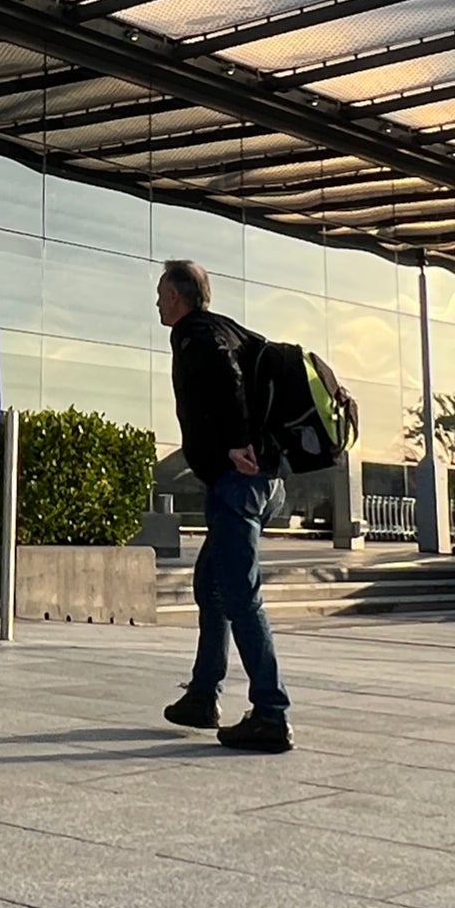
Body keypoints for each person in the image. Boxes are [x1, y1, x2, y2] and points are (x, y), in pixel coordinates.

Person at [156, 258, 291, 753]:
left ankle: (271, 714)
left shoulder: (195, 334)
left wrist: (236, 441)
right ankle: (202, 695)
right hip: (263, 481)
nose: (157, 303)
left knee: (239, 594)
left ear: (177, 297)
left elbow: (227, 377)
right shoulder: (232, 329)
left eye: (160, 293)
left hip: (240, 482)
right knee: (211, 586)